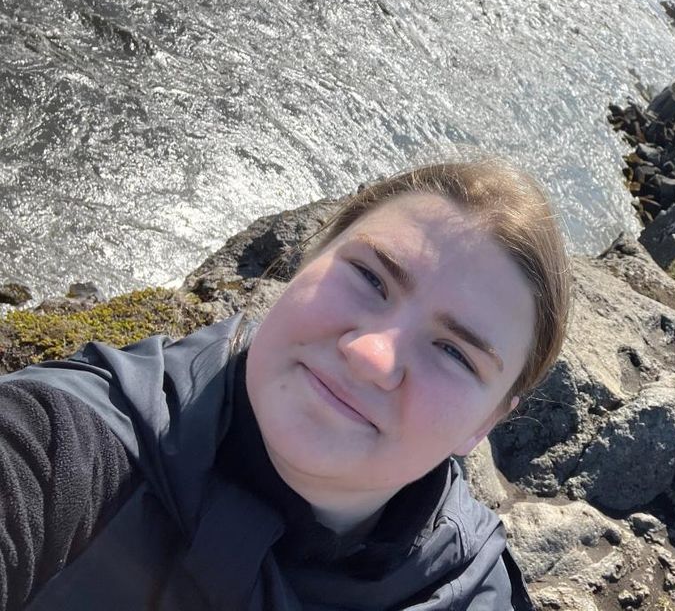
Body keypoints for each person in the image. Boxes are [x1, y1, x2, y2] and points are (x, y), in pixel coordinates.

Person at [0, 159, 571, 610]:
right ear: (308, 258)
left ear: (485, 423)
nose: (371, 357)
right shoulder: (60, 446)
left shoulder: (471, 589)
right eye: (370, 278)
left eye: (453, 352)